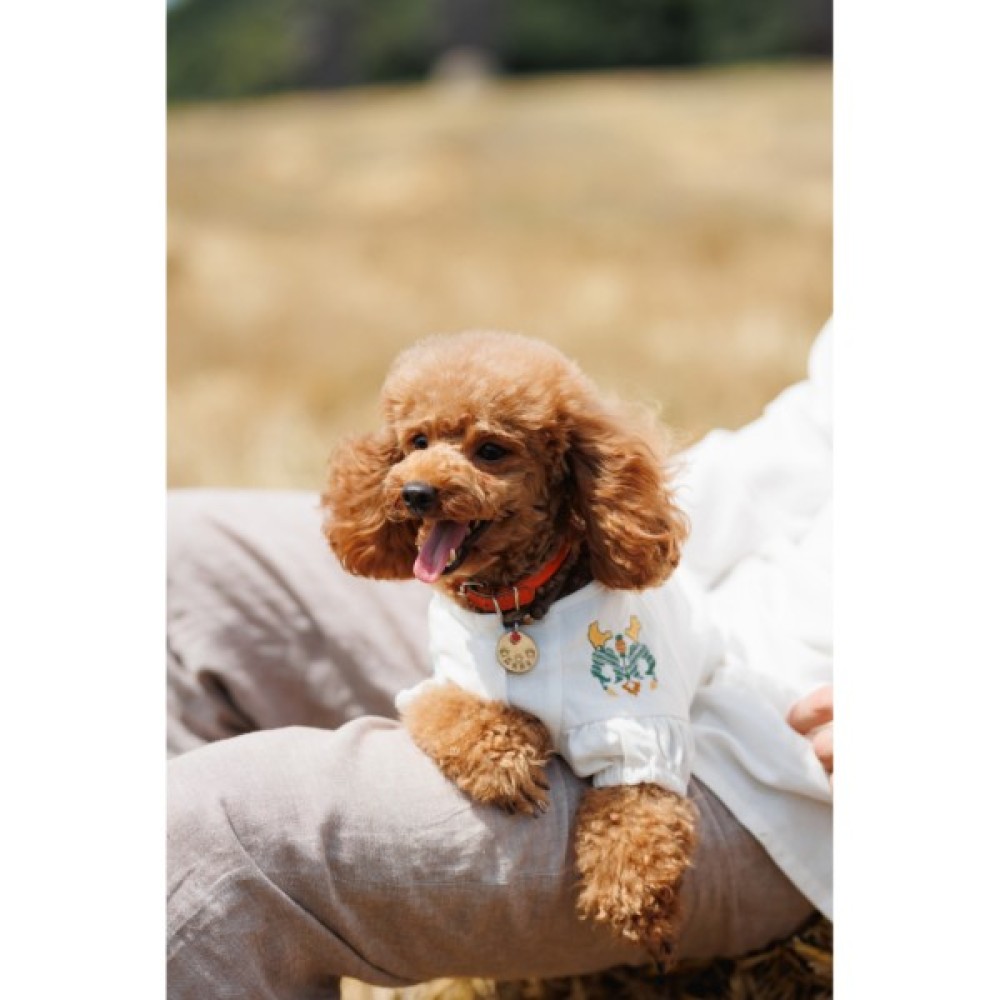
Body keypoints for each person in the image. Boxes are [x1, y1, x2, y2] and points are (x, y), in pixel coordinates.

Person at [167, 324, 833, 999]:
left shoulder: (626, 610)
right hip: (684, 597)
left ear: (566, 468)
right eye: (417, 445)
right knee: (172, 553)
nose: (423, 478)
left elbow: (639, 726)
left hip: (758, 754)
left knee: (204, 830)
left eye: (489, 452)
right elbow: (781, 459)